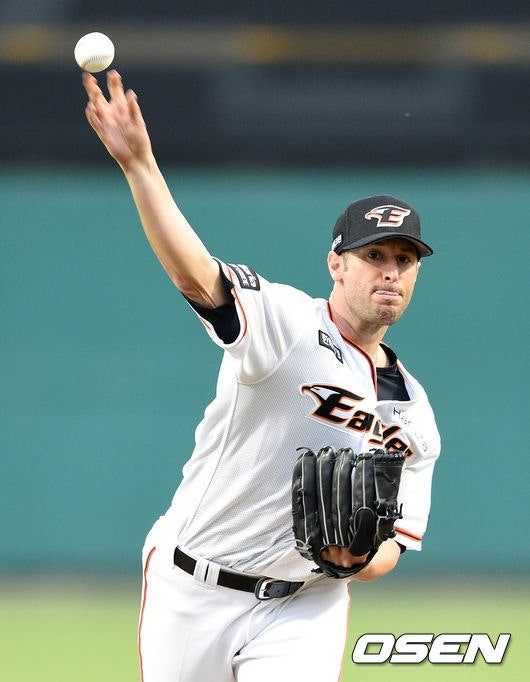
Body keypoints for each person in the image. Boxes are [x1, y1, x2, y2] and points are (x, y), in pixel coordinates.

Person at [82, 70, 440, 682]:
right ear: (336, 264)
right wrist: (140, 166)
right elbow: (195, 274)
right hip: (193, 585)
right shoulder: (285, 322)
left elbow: (392, 550)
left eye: (404, 260)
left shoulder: (416, 417)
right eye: (374, 255)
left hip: (306, 604)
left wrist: (355, 555)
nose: (390, 271)